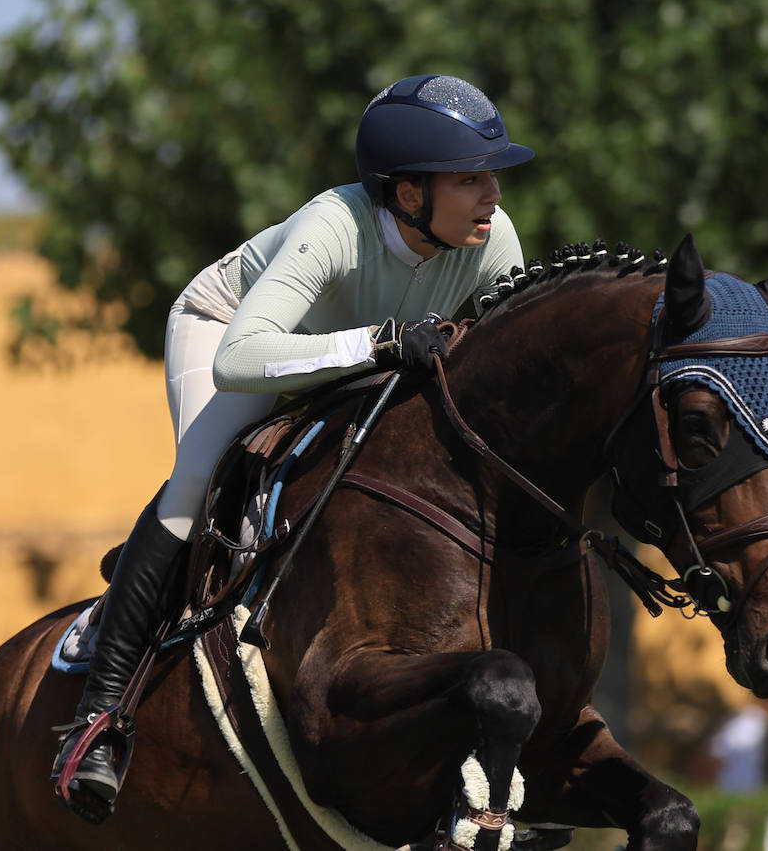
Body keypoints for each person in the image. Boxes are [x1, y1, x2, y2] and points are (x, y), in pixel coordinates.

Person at [51, 73, 536, 818]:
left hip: (358, 357)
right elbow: (240, 359)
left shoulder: (490, 240)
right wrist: (380, 343)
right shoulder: (332, 227)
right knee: (201, 476)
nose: (492, 197)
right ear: (408, 194)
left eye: (491, 178)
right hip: (233, 332)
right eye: (470, 179)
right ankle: (99, 716)